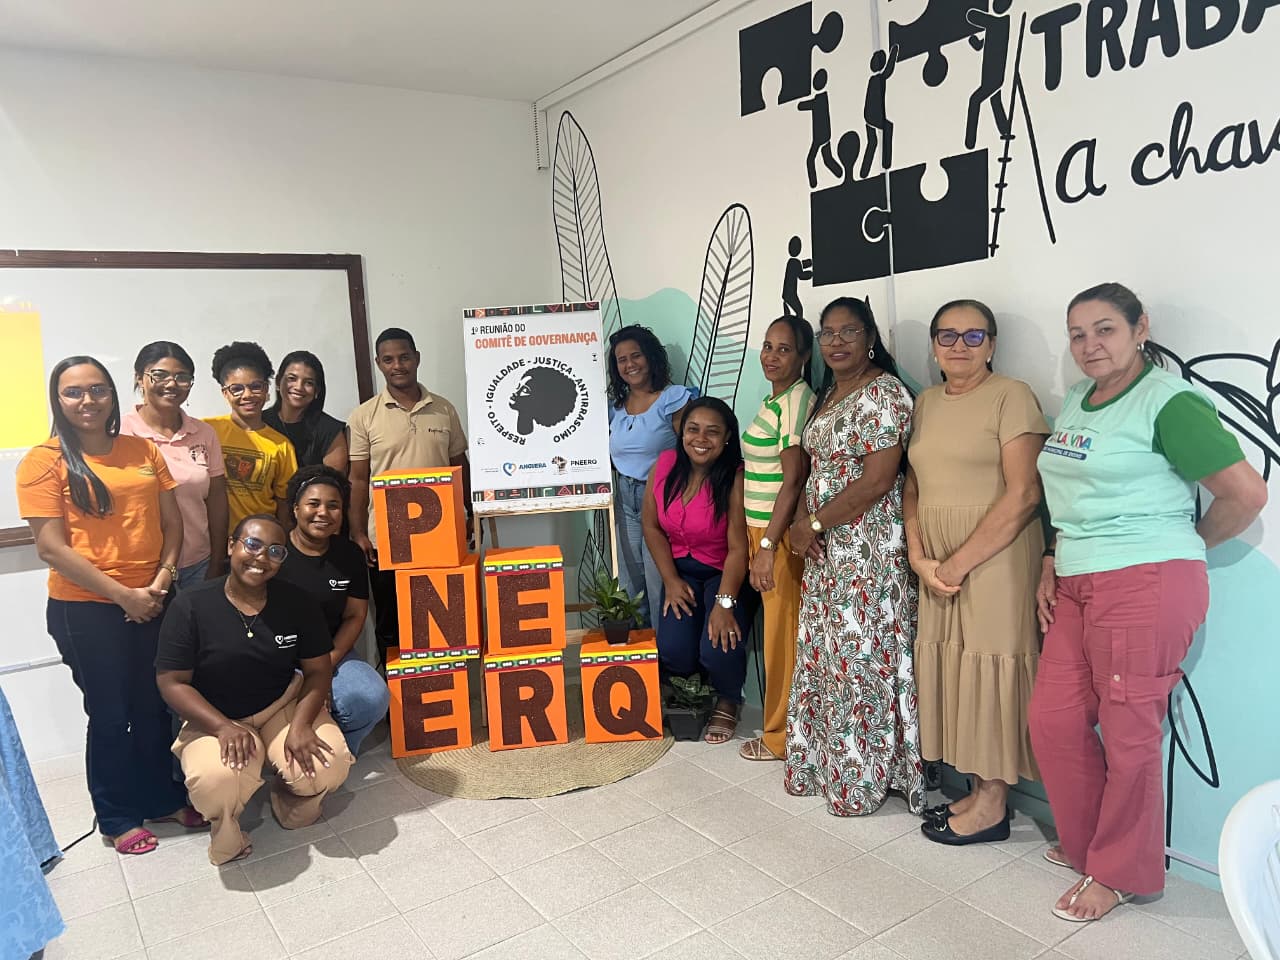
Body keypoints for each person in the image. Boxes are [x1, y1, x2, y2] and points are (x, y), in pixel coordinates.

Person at [1030, 283, 1266, 921]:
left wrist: (1181, 545)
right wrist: (1052, 556)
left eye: (1105, 329)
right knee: (1053, 721)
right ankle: (1089, 843)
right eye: (1078, 334)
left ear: (1141, 329)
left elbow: (1246, 495)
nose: (1090, 345)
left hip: (1144, 582)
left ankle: (1119, 872)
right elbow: (1069, 494)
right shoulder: (1079, 400)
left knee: (1130, 732)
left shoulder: (1169, 402)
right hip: (1077, 580)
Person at [16, 356, 201, 857]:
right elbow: (51, 548)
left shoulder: (141, 449)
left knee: (153, 706)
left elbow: (172, 524)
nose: (87, 401)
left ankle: (161, 799)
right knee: (110, 712)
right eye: (74, 392)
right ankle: (117, 815)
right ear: (57, 400)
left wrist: (162, 580)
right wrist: (124, 596)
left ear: (113, 395)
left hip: (155, 597)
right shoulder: (42, 461)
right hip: (85, 610)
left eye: (97, 389)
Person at [903, 300, 1048, 844]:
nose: (959, 346)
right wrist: (919, 555)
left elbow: (1026, 493)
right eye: (947, 335)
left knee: (991, 669)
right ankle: (975, 787)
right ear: (934, 345)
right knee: (956, 669)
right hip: (936, 561)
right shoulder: (925, 402)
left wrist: (957, 562)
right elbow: (912, 483)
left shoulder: (1013, 396)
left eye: (973, 335)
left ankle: (993, 805)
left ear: (992, 344)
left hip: (996, 556)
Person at [785, 297, 925, 816]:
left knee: (861, 661)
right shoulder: (829, 393)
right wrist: (804, 522)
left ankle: (862, 779)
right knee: (828, 657)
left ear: (870, 338)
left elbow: (878, 480)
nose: (837, 341)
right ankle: (824, 764)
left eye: (849, 331)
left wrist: (813, 523)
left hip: (868, 549)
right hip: (825, 549)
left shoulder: (884, 393)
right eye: (828, 332)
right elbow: (814, 468)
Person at [156, 515, 354, 865]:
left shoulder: (297, 602)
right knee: (216, 782)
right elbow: (171, 682)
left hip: (281, 705)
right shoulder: (191, 605)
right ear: (232, 546)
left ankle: (289, 800)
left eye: (275, 551)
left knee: (328, 764)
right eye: (252, 545)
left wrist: (301, 725)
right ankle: (227, 834)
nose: (261, 557)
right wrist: (222, 727)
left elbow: (318, 670)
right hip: (216, 715)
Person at [348, 328, 470, 654]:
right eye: (388, 360)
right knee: (392, 625)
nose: (397, 365)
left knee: (442, 622)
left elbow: (460, 466)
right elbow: (358, 479)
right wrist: (358, 532)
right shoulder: (364, 416)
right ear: (379, 363)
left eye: (404, 357)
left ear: (416, 358)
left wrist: (470, 513)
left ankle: (440, 685)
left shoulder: (444, 409)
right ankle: (394, 688)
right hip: (386, 539)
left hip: (439, 536)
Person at [642, 397, 756, 743]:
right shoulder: (665, 465)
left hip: (726, 573)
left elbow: (739, 549)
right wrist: (671, 580)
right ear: (682, 433)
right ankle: (694, 694)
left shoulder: (735, 476)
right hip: (682, 573)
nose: (701, 439)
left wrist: (724, 604)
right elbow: (651, 526)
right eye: (693, 429)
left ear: (727, 438)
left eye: (712, 432)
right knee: (673, 649)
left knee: (719, 644)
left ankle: (728, 699)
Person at [739, 316, 815, 762]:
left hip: (778, 534)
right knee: (775, 633)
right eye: (768, 346)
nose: (771, 356)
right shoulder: (776, 400)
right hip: (760, 530)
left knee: (782, 638)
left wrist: (768, 546)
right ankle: (781, 730)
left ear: (804, 356)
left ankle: (781, 737)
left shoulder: (796, 401)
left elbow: (794, 480)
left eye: (784, 349)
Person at [275, 465, 390, 754]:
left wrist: (323, 667)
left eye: (333, 506)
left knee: (372, 697)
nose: (323, 513)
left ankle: (339, 753)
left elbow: (354, 616)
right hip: (279, 656)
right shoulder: (274, 553)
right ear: (296, 508)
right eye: (313, 504)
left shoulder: (349, 555)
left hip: (331, 653)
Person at [121, 341, 229, 588]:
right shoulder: (120, 433)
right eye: (160, 375)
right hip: (141, 568)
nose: (171, 384)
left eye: (182, 377)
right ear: (139, 378)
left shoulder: (204, 433)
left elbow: (217, 501)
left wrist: (216, 562)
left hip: (198, 564)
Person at [608, 325, 694, 630]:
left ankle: (665, 653)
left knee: (660, 580)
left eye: (636, 356)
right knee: (631, 583)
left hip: (660, 497)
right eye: (621, 360)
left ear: (651, 357)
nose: (630, 365)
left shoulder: (673, 398)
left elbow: (690, 453)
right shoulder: (615, 409)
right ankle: (639, 652)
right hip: (624, 497)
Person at [204, 341, 298, 530]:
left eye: (256, 386)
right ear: (225, 393)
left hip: (259, 540)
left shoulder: (281, 445)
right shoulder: (207, 430)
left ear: (266, 389)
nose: (247, 395)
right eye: (236, 389)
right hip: (209, 538)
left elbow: (284, 505)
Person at [264, 350, 349, 472]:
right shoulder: (260, 422)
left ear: (317, 391)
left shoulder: (329, 431)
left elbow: (335, 481)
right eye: (292, 378)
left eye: (309, 383)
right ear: (278, 382)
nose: (299, 387)